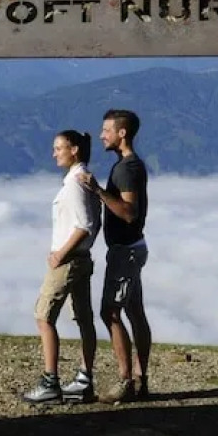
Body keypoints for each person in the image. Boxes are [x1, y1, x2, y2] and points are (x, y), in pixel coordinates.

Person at [78, 109, 151, 403]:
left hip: (125, 251)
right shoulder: (129, 165)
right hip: (133, 248)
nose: (101, 135)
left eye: (106, 130)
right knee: (135, 311)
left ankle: (125, 381)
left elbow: (129, 213)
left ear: (122, 133)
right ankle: (141, 380)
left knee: (110, 312)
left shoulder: (126, 169)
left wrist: (97, 191)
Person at [22, 130, 101, 405]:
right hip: (82, 259)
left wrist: (60, 255)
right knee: (84, 318)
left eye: (59, 148)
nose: (54, 153)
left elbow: (84, 226)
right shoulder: (84, 180)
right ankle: (84, 379)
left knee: (44, 316)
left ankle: (50, 382)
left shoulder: (75, 185)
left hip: (68, 261)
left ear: (74, 149)